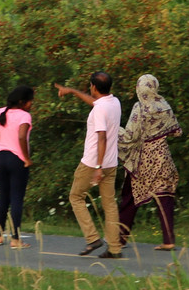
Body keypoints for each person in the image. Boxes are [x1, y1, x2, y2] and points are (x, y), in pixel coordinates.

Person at [55, 72, 123, 258]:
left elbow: (101, 137)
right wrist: (72, 91)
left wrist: (98, 167)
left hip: (94, 163)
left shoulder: (100, 110)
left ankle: (93, 238)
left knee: (76, 197)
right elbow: (95, 102)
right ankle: (115, 249)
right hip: (112, 162)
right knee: (109, 204)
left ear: (93, 86)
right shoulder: (114, 102)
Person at [118, 74, 182, 250]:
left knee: (130, 197)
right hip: (163, 157)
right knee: (164, 196)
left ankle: (120, 238)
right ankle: (169, 240)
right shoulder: (164, 106)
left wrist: (113, 129)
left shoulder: (140, 107)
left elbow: (131, 135)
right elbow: (177, 132)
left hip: (143, 160)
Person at [0, 85, 34, 248]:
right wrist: (26, 159)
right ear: (23, 102)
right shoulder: (25, 116)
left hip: (1, 157)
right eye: (30, 101)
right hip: (17, 159)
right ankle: (15, 239)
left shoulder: (1, 112)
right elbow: (21, 137)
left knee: (4, 197)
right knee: (17, 198)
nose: (32, 104)